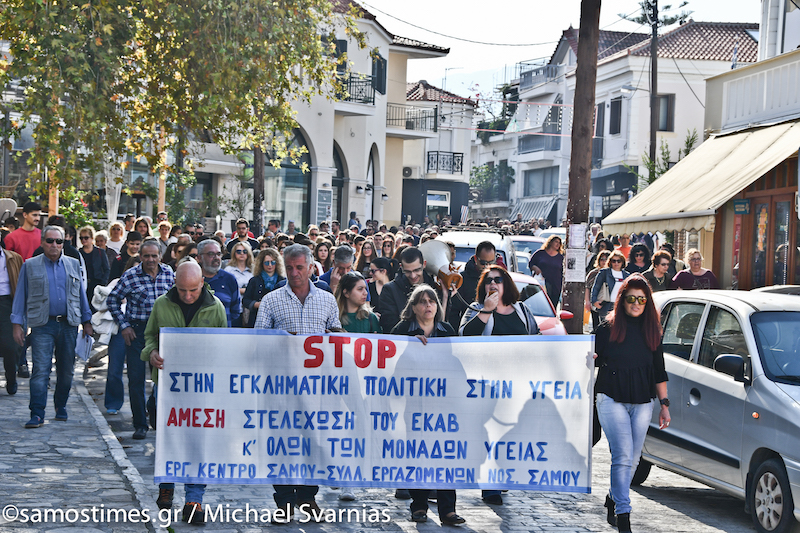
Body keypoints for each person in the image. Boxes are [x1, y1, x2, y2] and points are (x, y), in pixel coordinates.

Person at [253, 244, 340, 520]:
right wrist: (280, 339)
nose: (294, 273)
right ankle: (284, 499)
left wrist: (336, 335)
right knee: (281, 443)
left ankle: (307, 497)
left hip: (316, 385)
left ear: (311, 267)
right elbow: (257, 340)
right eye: (289, 268)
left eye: (299, 267)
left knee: (312, 441)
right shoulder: (271, 300)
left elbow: (337, 334)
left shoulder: (327, 299)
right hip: (280, 386)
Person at [143, 261, 227, 524]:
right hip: (167, 386)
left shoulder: (216, 308)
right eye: (182, 291)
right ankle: (166, 487)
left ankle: (195, 499)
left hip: (203, 388)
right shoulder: (161, 304)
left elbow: (225, 346)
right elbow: (149, 338)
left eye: (192, 290)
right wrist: (152, 353)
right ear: (174, 285)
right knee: (167, 437)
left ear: (202, 282)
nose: (188, 296)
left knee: (198, 443)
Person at [459, 266, 540, 506]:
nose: (493, 284)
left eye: (498, 280)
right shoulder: (476, 309)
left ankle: (502, 472)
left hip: (517, 383)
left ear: (507, 284)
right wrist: (486, 311)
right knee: (492, 432)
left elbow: (537, 341)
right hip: (487, 385)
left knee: (510, 431)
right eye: (488, 281)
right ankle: (490, 484)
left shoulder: (523, 310)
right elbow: (464, 336)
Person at [594, 274, 669, 533]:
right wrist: (588, 356)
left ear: (647, 302)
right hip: (610, 396)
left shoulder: (653, 331)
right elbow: (591, 359)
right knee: (623, 455)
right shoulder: (607, 328)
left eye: (641, 299)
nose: (636, 303)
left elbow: (659, 371)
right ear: (622, 300)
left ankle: (613, 498)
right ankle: (623, 513)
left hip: (642, 400)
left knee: (634, 458)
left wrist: (665, 404)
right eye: (631, 299)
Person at [390, 285, 465, 526]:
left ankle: (448, 509)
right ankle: (419, 505)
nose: (428, 305)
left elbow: (456, 363)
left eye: (432, 300)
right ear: (413, 308)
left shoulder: (446, 331)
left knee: (445, 455)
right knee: (418, 453)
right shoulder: (402, 330)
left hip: (443, 405)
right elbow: (389, 362)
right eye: (422, 301)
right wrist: (408, 346)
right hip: (414, 405)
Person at [11, 226, 94, 427]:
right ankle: (37, 412)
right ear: (42, 242)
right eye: (50, 241)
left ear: (63, 243)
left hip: (68, 324)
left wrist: (87, 321)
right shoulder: (30, 265)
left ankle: (61, 405)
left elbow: (81, 295)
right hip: (42, 324)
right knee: (40, 369)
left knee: (66, 370)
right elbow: (20, 295)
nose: (54, 245)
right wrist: (17, 324)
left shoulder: (73, 264)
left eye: (58, 241)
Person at [106, 240, 175, 439]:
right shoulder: (131, 276)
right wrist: (124, 325)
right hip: (138, 331)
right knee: (136, 379)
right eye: (147, 256)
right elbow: (113, 299)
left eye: (154, 256)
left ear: (160, 256)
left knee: (162, 378)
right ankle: (140, 424)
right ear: (140, 256)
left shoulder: (169, 273)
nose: (151, 260)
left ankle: (156, 414)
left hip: (162, 332)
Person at [378, 246, 442, 334]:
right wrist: (412, 339)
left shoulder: (436, 286)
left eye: (417, 270)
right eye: (408, 271)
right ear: (401, 266)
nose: (413, 276)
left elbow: (443, 321)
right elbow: (389, 326)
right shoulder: (389, 290)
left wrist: (446, 296)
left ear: (424, 264)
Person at [451, 240, 497, 327]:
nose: (487, 266)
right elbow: (453, 312)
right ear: (476, 259)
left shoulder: (500, 279)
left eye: (491, 262)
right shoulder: (462, 279)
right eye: (483, 263)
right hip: (469, 332)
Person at [196, 239, 241, 327]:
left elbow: (235, 311)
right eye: (211, 254)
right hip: (198, 335)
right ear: (199, 257)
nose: (216, 258)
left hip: (223, 335)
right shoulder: (193, 279)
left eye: (218, 254)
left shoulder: (229, 279)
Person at [242, 248, 285, 328]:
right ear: (261, 263)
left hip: (278, 321)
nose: (270, 265)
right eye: (266, 262)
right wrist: (257, 304)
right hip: (257, 319)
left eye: (273, 262)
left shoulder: (283, 281)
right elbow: (245, 300)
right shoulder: (254, 280)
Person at [0, 241, 22, 395]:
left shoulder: (13, 258)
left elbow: (21, 285)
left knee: (9, 345)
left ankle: (11, 376)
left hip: (7, 302)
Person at [591, 250, 630, 321]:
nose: (616, 263)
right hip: (606, 305)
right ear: (610, 262)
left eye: (619, 261)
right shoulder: (604, 273)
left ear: (622, 262)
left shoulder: (627, 275)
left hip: (621, 306)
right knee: (605, 328)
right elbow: (596, 287)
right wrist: (594, 301)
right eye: (613, 261)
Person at [78, 225, 110, 309]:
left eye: (86, 238)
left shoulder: (100, 251)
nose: (83, 240)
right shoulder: (78, 252)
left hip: (97, 283)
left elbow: (107, 269)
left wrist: (103, 283)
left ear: (92, 238)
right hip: (83, 284)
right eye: (81, 238)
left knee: (96, 308)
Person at [528, 234, 564, 306]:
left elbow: (563, 271)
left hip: (555, 285)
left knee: (552, 305)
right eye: (556, 242)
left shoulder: (560, 257)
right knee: (539, 304)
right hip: (541, 283)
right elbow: (531, 264)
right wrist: (535, 268)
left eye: (559, 243)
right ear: (550, 242)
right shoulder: (540, 253)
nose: (557, 244)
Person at [586, 250, 611, 330]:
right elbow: (587, 287)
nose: (604, 261)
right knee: (596, 326)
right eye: (602, 259)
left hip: (609, 303)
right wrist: (587, 302)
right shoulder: (593, 273)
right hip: (595, 302)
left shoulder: (613, 273)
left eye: (606, 259)